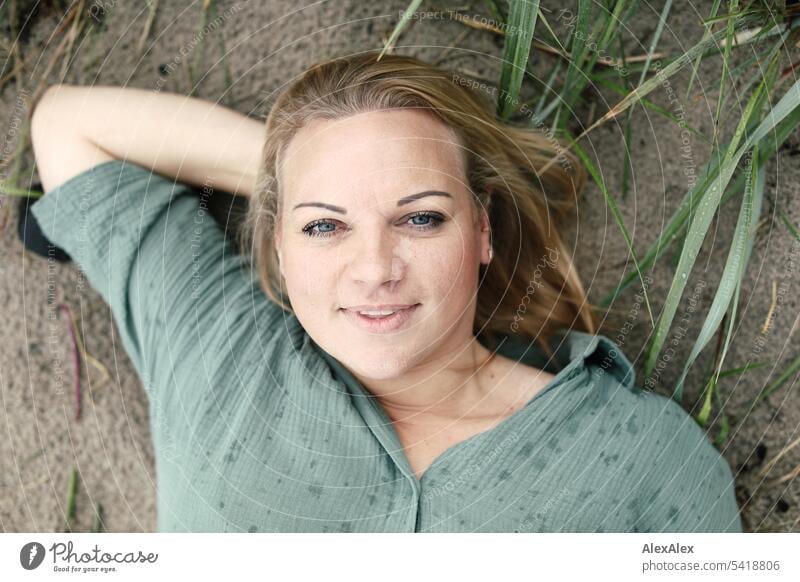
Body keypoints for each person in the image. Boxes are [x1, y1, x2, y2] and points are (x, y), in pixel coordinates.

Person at [28, 51, 742, 533]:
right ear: (276, 241)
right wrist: (300, 175)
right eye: (324, 229)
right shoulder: (219, 347)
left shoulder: (640, 455)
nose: (374, 268)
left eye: (421, 217)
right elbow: (69, 125)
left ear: (483, 232)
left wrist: (324, 196)